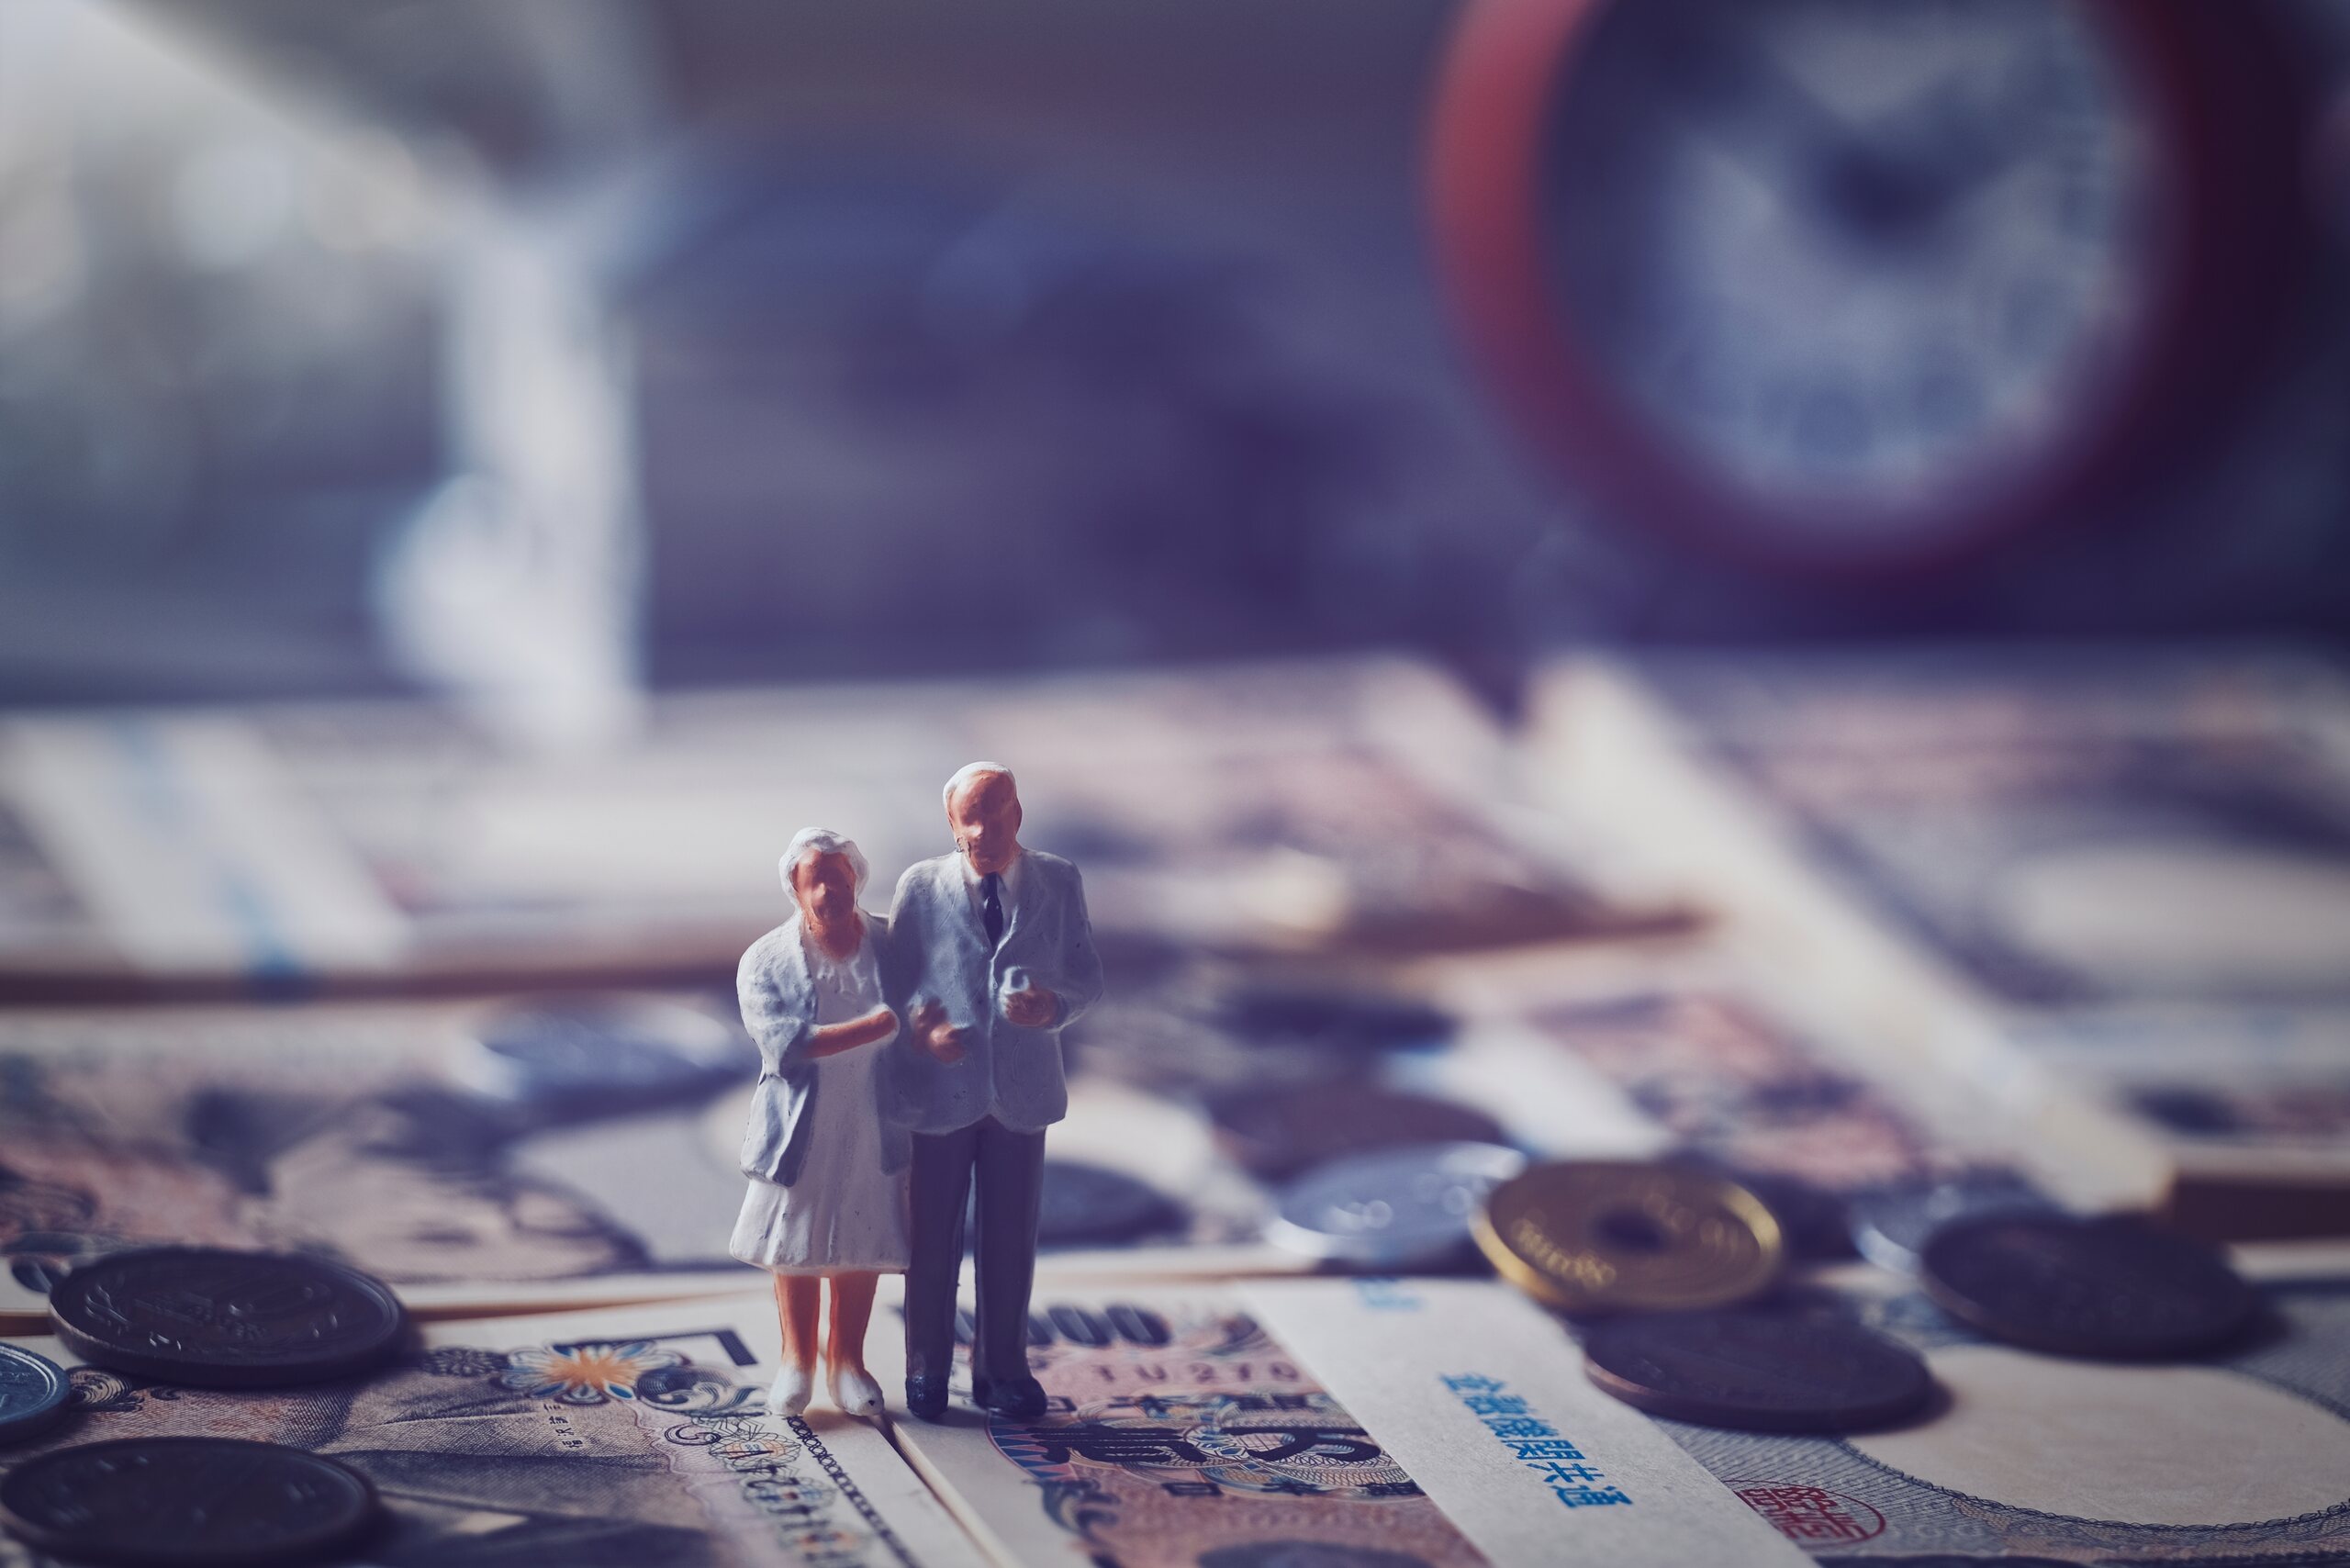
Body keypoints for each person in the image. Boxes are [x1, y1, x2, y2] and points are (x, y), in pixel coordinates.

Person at [884, 762, 1103, 1420]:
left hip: (1022, 1098)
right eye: (969, 820)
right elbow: (896, 982)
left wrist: (1052, 1007)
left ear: (1018, 816)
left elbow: (1086, 976)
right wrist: (922, 1032)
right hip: (940, 1097)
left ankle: (1001, 1370)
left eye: (995, 816)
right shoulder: (920, 888)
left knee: (1010, 1243)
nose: (982, 832)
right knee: (931, 1243)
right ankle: (926, 1367)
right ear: (951, 824)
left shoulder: (1058, 881)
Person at [732, 827, 908, 1418]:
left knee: (860, 1239)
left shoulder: (891, 943)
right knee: (796, 1245)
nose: (829, 892)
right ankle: (796, 1363)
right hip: (800, 1127)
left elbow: (929, 1002)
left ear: (857, 881)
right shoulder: (765, 960)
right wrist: (873, 1028)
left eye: (839, 878)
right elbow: (784, 1044)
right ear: (795, 889)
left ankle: (848, 1363)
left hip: (873, 1116)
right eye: (815, 881)